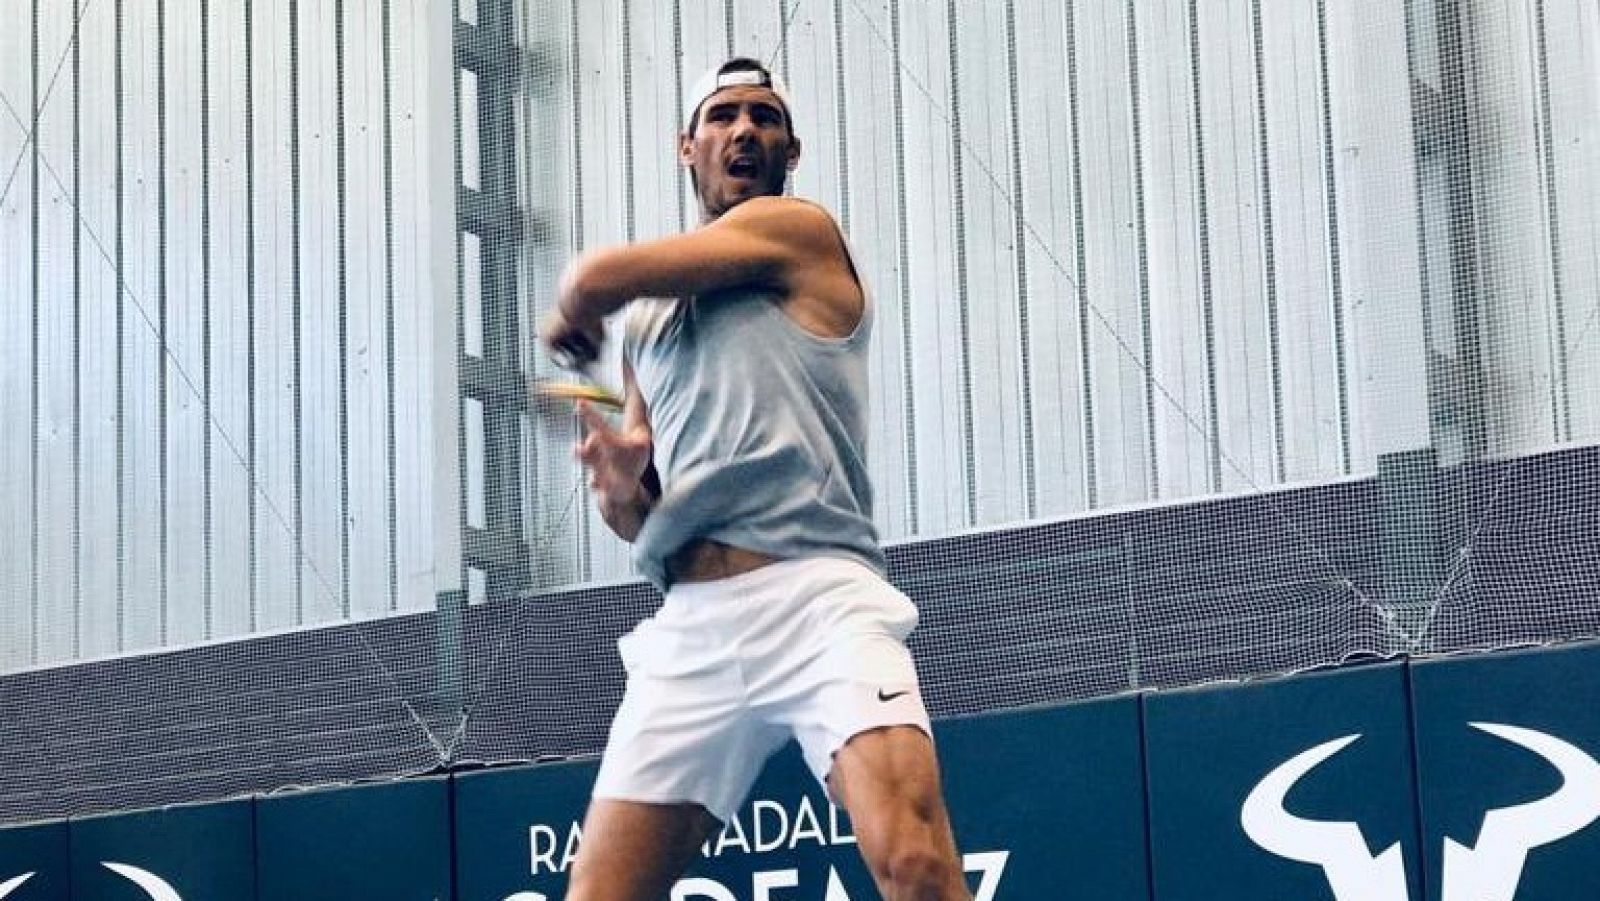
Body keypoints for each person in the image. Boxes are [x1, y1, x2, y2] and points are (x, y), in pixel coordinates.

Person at [540, 57, 971, 901]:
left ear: (791, 150)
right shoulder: (649, 334)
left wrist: (572, 313)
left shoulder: (801, 233)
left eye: (765, 118)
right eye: (726, 116)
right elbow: (641, 513)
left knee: (917, 867)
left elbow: (590, 280)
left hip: (819, 599)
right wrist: (628, 488)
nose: (746, 131)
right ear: (687, 146)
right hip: (694, 623)